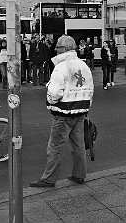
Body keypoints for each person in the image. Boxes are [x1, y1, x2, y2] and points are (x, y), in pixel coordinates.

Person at [30, 35, 94, 188]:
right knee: (78, 146)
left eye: (57, 47)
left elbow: (55, 94)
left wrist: (50, 101)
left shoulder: (61, 67)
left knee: (55, 148)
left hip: (62, 113)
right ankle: (79, 175)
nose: (55, 49)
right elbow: (90, 89)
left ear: (64, 49)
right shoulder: (83, 65)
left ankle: (49, 179)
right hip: (80, 112)